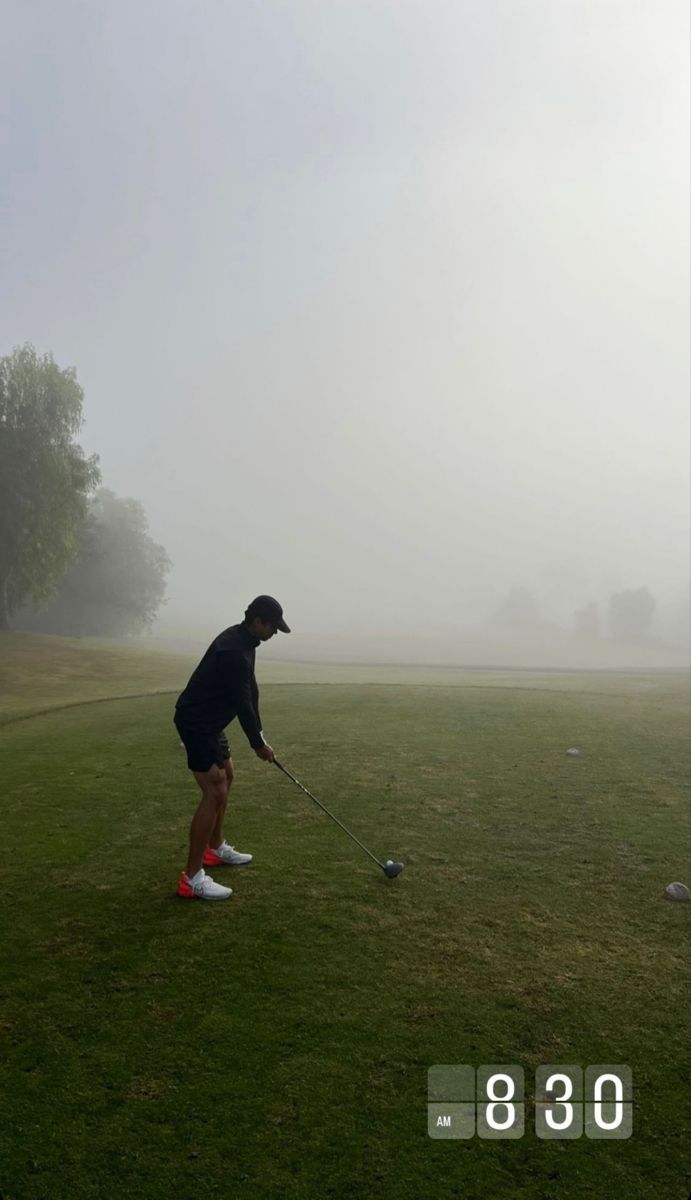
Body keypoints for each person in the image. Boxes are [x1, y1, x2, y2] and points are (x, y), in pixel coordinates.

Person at [173, 595, 291, 900]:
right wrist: (257, 745)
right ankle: (192, 877)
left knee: (228, 774)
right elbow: (242, 705)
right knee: (215, 789)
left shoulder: (246, 642)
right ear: (258, 621)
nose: (275, 633)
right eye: (272, 627)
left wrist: (260, 736)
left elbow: (251, 691)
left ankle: (215, 849)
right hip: (196, 721)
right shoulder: (233, 652)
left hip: (211, 723)